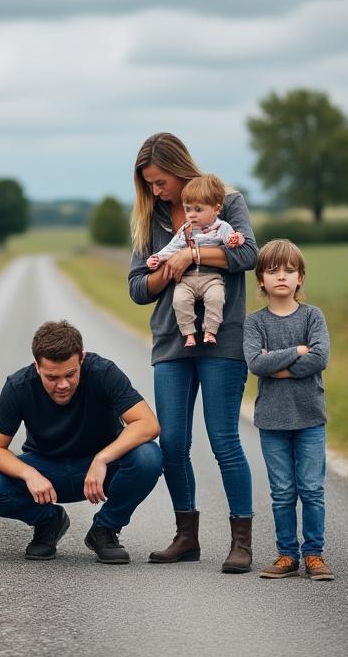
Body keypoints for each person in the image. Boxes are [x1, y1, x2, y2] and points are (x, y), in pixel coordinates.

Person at [127, 132, 256, 571]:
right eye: (148, 184)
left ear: (180, 169)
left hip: (224, 340)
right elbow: (137, 288)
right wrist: (169, 270)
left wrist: (193, 253)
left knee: (224, 440)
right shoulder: (150, 219)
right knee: (173, 443)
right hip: (171, 340)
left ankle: (242, 542)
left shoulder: (226, 201)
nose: (155, 191)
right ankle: (187, 537)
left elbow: (249, 255)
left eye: (160, 181)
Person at [0, 320, 163, 564]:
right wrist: (29, 474)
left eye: (70, 374)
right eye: (52, 377)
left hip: (99, 470)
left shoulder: (103, 372)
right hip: (46, 471)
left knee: (148, 456)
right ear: (37, 366)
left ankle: (105, 529)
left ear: (81, 358)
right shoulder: (19, 386)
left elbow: (148, 424)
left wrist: (102, 458)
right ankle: (48, 521)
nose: (63, 385)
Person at [243, 239, 334, 581]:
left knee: (311, 489)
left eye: (289, 270)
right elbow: (255, 362)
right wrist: (297, 350)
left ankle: (313, 554)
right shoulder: (255, 323)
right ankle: (286, 555)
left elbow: (320, 358)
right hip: (272, 421)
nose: (281, 276)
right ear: (261, 281)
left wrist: (277, 364)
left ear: (300, 278)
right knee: (282, 492)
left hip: (310, 417)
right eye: (273, 270)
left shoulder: (313, 316)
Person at [145, 174, 244, 347]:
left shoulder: (222, 227)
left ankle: (210, 331)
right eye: (188, 209)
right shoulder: (186, 230)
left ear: (216, 209)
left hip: (211, 279)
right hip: (187, 280)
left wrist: (236, 239)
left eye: (198, 210)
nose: (192, 215)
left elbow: (235, 244)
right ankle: (189, 334)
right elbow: (172, 248)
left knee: (216, 298)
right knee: (180, 300)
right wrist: (157, 258)